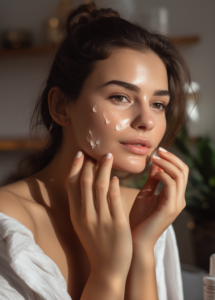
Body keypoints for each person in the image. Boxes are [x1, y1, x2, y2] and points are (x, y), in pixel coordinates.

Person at [0, 3, 190, 300]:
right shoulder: (8, 227)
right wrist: (109, 274)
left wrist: (142, 250)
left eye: (158, 104)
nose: (147, 121)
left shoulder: (149, 218)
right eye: (120, 97)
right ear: (61, 106)